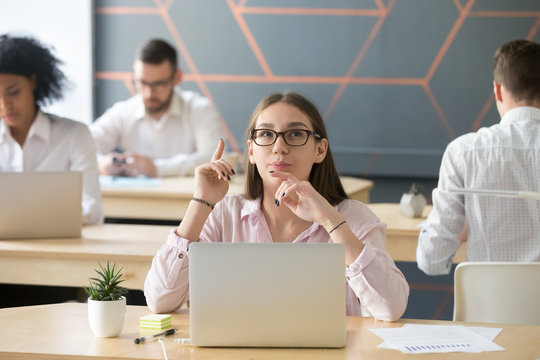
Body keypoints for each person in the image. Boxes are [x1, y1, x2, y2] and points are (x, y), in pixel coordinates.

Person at [144, 92, 409, 321]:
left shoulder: (353, 217)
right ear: (251, 151)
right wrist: (202, 202)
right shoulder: (225, 214)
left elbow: (390, 308)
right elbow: (159, 300)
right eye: (266, 135)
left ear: (320, 150)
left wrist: (329, 219)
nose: (279, 147)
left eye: (295, 134)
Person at [417, 39, 540, 275]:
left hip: (488, 310)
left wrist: (462, 228)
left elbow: (431, 261)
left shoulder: (463, 152)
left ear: (497, 89)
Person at [0, 34, 102, 224]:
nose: (5, 105)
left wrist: (24, 219)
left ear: (33, 81)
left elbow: (92, 210)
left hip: (63, 249)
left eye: (13, 92)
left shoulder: (74, 135)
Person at [91, 39, 223, 178]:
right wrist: (102, 164)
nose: (149, 93)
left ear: (177, 78)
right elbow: (83, 148)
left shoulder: (200, 109)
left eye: (159, 84)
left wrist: (156, 168)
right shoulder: (122, 112)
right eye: (142, 83)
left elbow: (215, 160)